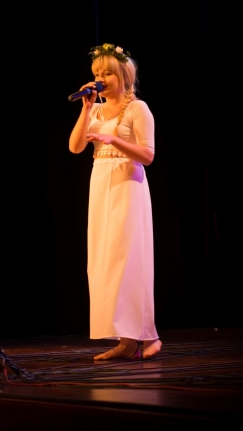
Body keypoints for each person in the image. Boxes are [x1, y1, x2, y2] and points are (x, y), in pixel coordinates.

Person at [68, 43, 162, 360]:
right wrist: (86, 109)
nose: (100, 78)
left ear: (123, 75)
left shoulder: (138, 109)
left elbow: (147, 155)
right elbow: (75, 147)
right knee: (105, 261)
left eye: (107, 73)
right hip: (100, 186)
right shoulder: (94, 110)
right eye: (97, 73)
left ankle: (149, 335)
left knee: (129, 260)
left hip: (127, 186)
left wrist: (114, 140)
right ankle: (126, 341)